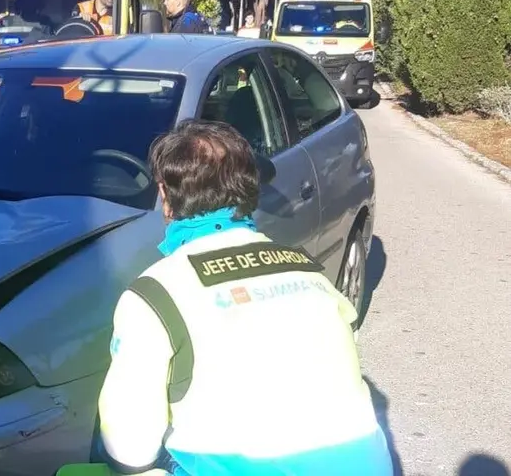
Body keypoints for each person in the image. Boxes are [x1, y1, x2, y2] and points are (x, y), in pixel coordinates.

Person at [97, 120, 393, 476]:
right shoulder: (312, 275)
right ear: (251, 191)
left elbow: (129, 449)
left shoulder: (155, 293)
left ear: (165, 196)